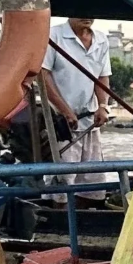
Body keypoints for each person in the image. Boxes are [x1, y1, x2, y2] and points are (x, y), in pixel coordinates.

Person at [41, 16, 112, 203]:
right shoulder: (53, 35)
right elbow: (43, 75)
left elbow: (102, 77)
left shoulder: (101, 39)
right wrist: (65, 110)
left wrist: (103, 106)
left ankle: (85, 222)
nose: (86, 16)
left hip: (90, 121)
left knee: (94, 181)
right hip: (61, 123)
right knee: (61, 182)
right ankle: (60, 225)